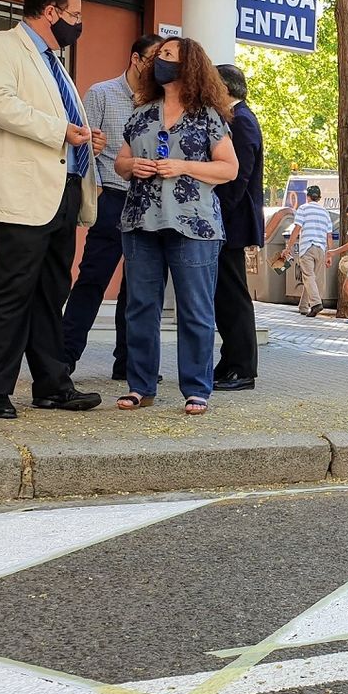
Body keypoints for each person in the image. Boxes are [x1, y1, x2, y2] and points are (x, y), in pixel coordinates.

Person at [0, 0, 103, 420]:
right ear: (51, 11)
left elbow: (58, 123)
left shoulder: (54, 61)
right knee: (12, 290)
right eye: (75, 15)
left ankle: (52, 386)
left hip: (63, 192)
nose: (78, 24)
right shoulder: (2, 48)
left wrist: (84, 138)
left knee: (50, 292)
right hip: (23, 194)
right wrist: (62, 130)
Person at [112, 37, 239, 415]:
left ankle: (197, 389)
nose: (159, 61)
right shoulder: (141, 111)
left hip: (194, 227)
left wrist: (183, 166)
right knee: (140, 308)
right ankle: (140, 386)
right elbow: (121, 161)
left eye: (168, 56)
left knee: (195, 309)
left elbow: (228, 169)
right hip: (140, 221)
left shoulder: (208, 116)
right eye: (158, 56)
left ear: (190, 67)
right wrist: (131, 167)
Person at [63, 34, 163, 380]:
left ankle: (129, 365)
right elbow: (82, 146)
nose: (159, 65)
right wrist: (98, 192)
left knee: (138, 288)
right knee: (92, 280)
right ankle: (63, 361)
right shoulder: (101, 94)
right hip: (112, 198)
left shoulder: (160, 101)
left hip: (148, 204)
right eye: (154, 58)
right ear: (136, 58)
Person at [211, 64, 266, 392]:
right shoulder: (237, 118)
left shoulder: (241, 121)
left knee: (233, 297)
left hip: (231, 224)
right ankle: (230, 360)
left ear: (225, 89)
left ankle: (242, 367)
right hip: (228, 223)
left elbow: (237, 178)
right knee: (225, 296)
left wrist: (215, 213)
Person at [282, 185, 333, 317]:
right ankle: (303, 306)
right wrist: (329, 254)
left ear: (308, 196)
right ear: (319, 197)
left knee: (308, 277)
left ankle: (316, 303)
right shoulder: (325, 212)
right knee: (312, 278)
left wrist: (288, 247)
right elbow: (329, 236)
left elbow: (297, 229)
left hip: (307, 247)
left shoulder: (303, 209)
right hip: (321, 249)